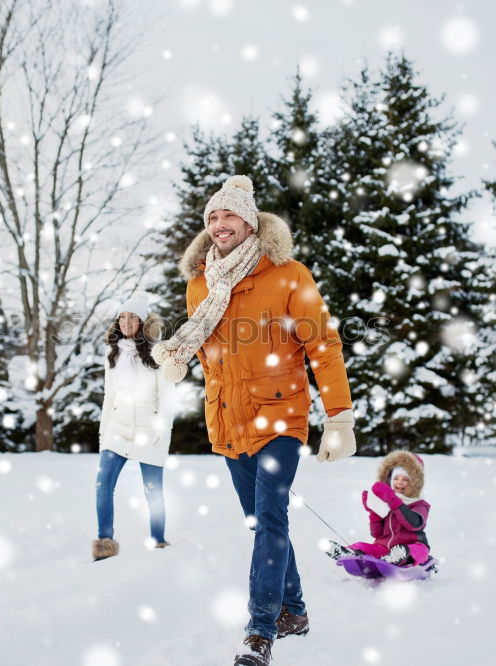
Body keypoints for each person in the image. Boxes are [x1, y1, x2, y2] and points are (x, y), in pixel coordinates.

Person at [152, 175, 356, 666]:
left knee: (270, 519)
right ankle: (295, 611)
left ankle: (259, 632)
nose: (220, 225)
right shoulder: (199, 284)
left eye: (229, 215)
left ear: (251, 221)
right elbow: (213, 356)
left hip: (282, 415)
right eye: (213, 217)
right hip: (228, 421)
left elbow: (322, 345)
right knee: (261, 522)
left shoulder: (288, 274)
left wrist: (339, 417)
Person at [92, 295, 174, 561]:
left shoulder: (158, 353)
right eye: (123, 317)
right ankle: (105, 541)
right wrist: (104, 433)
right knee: (103, 485)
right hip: (117, 429)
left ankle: (158, 541)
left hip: (148, 432)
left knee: (153, 492)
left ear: (144, 322)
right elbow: (109, 396)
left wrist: (163, 432)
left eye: (133, 317)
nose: (126, 322)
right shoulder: (112, 353)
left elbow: (166, 399)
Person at [325, 450, 431, 567]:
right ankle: (349, 553)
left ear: (414, 483)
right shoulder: (385, 503)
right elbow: (377, 534)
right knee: (364, 546)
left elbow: (414, 524)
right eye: (396, 478)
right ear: (390, 480)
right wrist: (373, 513)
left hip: (412, 547)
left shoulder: (419, 504)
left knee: (418, 550)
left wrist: (394, 501)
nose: (399, 483)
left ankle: (398, 557)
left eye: (405, 479)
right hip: (385, 549)